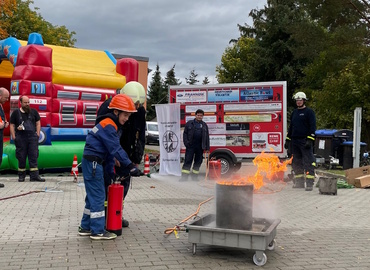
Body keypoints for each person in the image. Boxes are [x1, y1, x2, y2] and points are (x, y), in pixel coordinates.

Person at [78, 94, 142, 240]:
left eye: (129, 116)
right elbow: (115, 148)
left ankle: (85, 227)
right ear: (116, 112)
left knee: (92, 197)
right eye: (125, 115)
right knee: (99, 196)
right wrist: (130, 165)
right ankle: (98, 231)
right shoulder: (109, 125)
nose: (127, 119)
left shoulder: (109, 124)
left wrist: (111, 172)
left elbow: (109, 153)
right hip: (94, 163)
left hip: (93, 162)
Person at [96, 82, 146, 228]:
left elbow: (140, 135)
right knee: (106, 185)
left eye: (137, 106)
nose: (134, 109)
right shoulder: (108, 107)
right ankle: (104, 216)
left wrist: (136, 158)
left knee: (123, 185)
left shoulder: (139, 111)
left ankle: (116, 213)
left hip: (126, 155)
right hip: (110, 153)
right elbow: (102, 134)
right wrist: (112, 155)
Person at [285, 91, 316, 191]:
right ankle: (299, 182)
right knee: (296, 162)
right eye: (297, 100)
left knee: (308, 162)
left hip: (305, 141)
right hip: (295, 141)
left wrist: (310, 139)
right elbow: (291, 127)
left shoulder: (309, 112)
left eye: (300, 100)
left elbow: (313, 126)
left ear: (304, 101)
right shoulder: (294, 113)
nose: (298, 102)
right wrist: (288, 140)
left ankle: (310, 183)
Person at [9, 96, 45, 182]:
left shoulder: (34, 112)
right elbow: (11, 125)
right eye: (25, 103)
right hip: (21, 137)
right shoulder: (16, 113)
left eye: (28, 102)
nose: (27, 104)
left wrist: (38, 133)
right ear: (20, 103)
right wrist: (13, 136)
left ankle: (34, 176)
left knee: (34, 156)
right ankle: (21, 176)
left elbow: (38, 123)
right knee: (21, 156)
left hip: (32, 137)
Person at [180, 109, 210, 181]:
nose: (199, 117)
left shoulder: (204, 125)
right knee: (188, 160)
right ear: (195, 115)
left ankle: (194, 177)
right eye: (198, 115)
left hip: (200, 146)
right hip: (191, 146)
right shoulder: (190, 123)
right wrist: (186, 143)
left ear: (203, 116)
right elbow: (185, 134)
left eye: (201, 115)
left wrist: (207, 147)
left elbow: (207, 137)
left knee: (198, 161)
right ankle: (184, 178)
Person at [0, 87, 10, 188]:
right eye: (5, 98)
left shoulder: (1, 106)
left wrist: (5, 123)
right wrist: (2, 125)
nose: (7, 100)